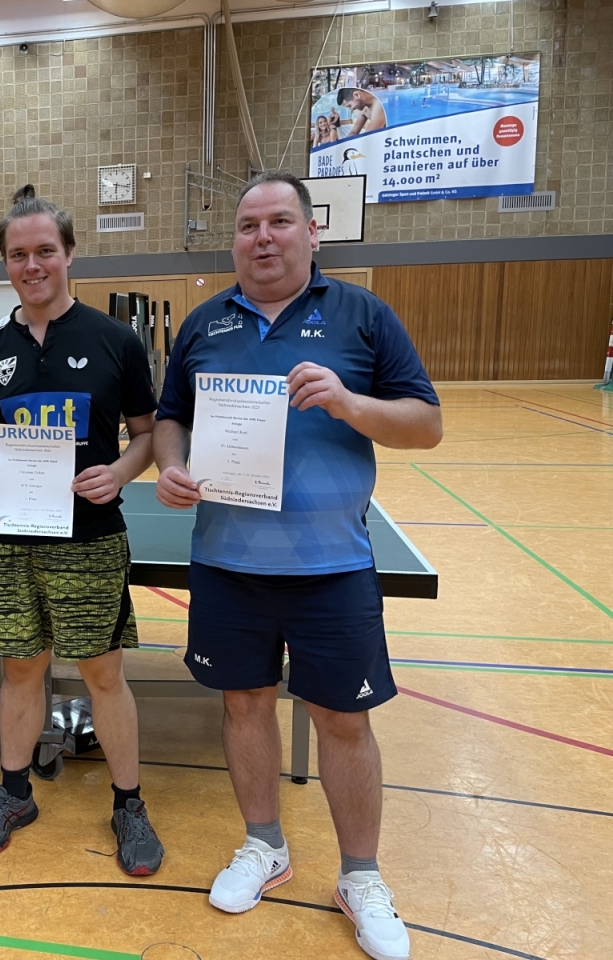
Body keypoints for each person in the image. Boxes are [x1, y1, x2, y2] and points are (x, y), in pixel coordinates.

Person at [153, 172, 442, 960]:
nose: (263, 237)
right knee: (244, 706)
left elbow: (426, 424)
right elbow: (172, 416)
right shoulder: (205, 324)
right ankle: (264, 845)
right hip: (227, 561)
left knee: (343, 721)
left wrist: (350, 402)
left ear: (313, 233)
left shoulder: (363, 315)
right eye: (249, 225)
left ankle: (361, 876)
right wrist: (171, 464)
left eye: (280, 221)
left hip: (332, 566)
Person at [0, 186, 164, 876]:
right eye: (18, 254)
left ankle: (128, 804)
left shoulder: (115, 341)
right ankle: (14, 794)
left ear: (69, 254)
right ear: (6, 263)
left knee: (103, 673)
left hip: (91, 539)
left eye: (45, 250)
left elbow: (147, 434)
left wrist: (122, 471)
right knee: (20, 669)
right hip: (11, 542)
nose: (32, 264)